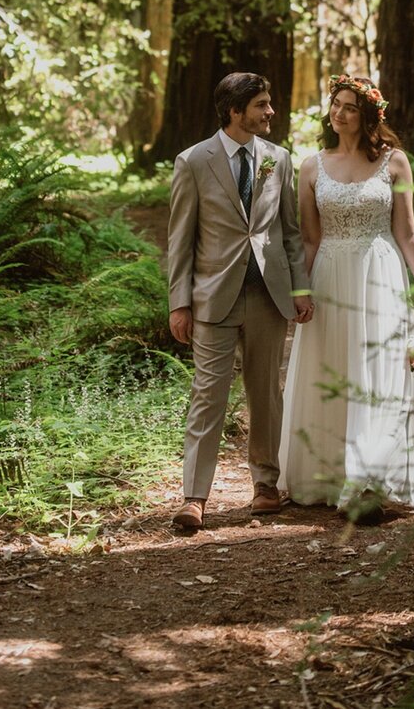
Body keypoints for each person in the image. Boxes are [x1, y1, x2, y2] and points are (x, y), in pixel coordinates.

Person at [278, 74, 414, 523]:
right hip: (329, 275)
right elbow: (309, 239)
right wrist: (300, 292)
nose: (339, 113)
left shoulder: (395, 162)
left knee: (382, 373)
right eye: (336, 104)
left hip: (381, 274)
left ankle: (370, 481)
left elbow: (408, 233)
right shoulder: (311, 167)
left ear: (369, 116)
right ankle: (327, 474)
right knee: (334, 368)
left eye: (349, 106)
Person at [168, 71, 313, 531]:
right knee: (208, 396)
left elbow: (289, 232)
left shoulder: (279, 159)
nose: (271, 113)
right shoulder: (193, 161)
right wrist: (179, 302)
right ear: (235, 111)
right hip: (213, 297)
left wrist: (300, 287)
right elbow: (180, 238)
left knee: (266, 393)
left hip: (268, 296)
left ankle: (265, 485)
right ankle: (195, 496)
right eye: (262, 105)